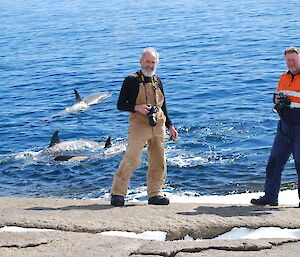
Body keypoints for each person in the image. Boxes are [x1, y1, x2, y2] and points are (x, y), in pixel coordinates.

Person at [110, 47, 178, 206]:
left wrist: (170, 126)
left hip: (158, 123)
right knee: (132, 158)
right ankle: (117, 193)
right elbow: (120, 104)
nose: (150, 65)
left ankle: (155, 194)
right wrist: (137, 107)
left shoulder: (157, 80)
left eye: (153, 62)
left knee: (158, 160)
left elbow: (164, 105)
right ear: (141, 62)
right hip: (139, 124)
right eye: (148, 61)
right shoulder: (131, 80)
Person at [251, 46, 300, 207]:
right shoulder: (284, 77)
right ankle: (270, 197)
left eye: (293, 59)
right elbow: (277, 95)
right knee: (274, 162)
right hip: (284, 126)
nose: (291, 63)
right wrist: (277, 100)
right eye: (288, 60)